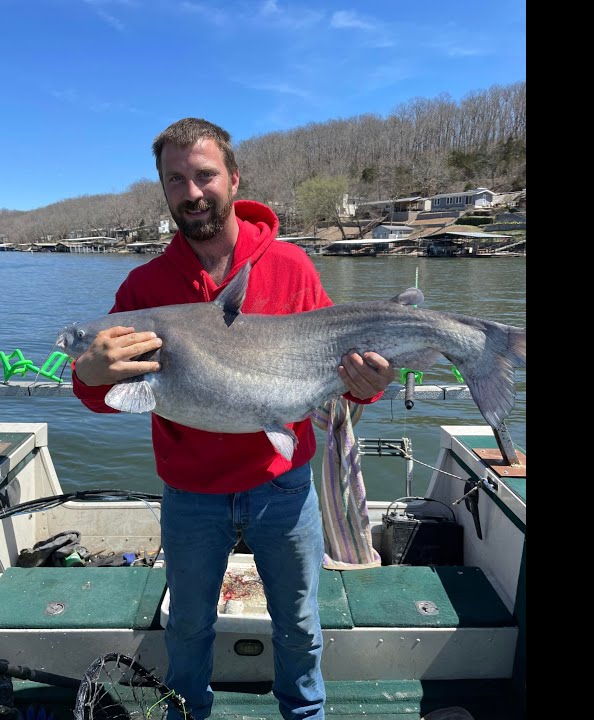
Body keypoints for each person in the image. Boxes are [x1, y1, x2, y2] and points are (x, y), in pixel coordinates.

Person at [70, 117, 395, 720]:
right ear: (163, 189)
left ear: (233, 178)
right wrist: (89, 373)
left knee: (299, 622)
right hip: (190, 492)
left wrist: (367, 386)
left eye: (203, 174)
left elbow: (341, 375)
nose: (191, 192)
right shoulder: (145, 286)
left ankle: (305, 714)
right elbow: (103, 392)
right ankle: (185, 712)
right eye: (175, 180)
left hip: (283, 482)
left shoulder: (291, 266)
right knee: (188, 626)